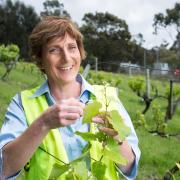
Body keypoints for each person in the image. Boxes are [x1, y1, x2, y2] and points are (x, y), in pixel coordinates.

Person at [0, 16, 140, 180]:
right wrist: (43, 124)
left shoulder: (108, 98)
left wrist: (117, 137)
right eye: (54, 50)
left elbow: (130, 167)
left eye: (72, 48)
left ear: (80, 52)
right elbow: (5, 168)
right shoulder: (22, 104)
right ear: (40, 59)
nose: (66, 57)